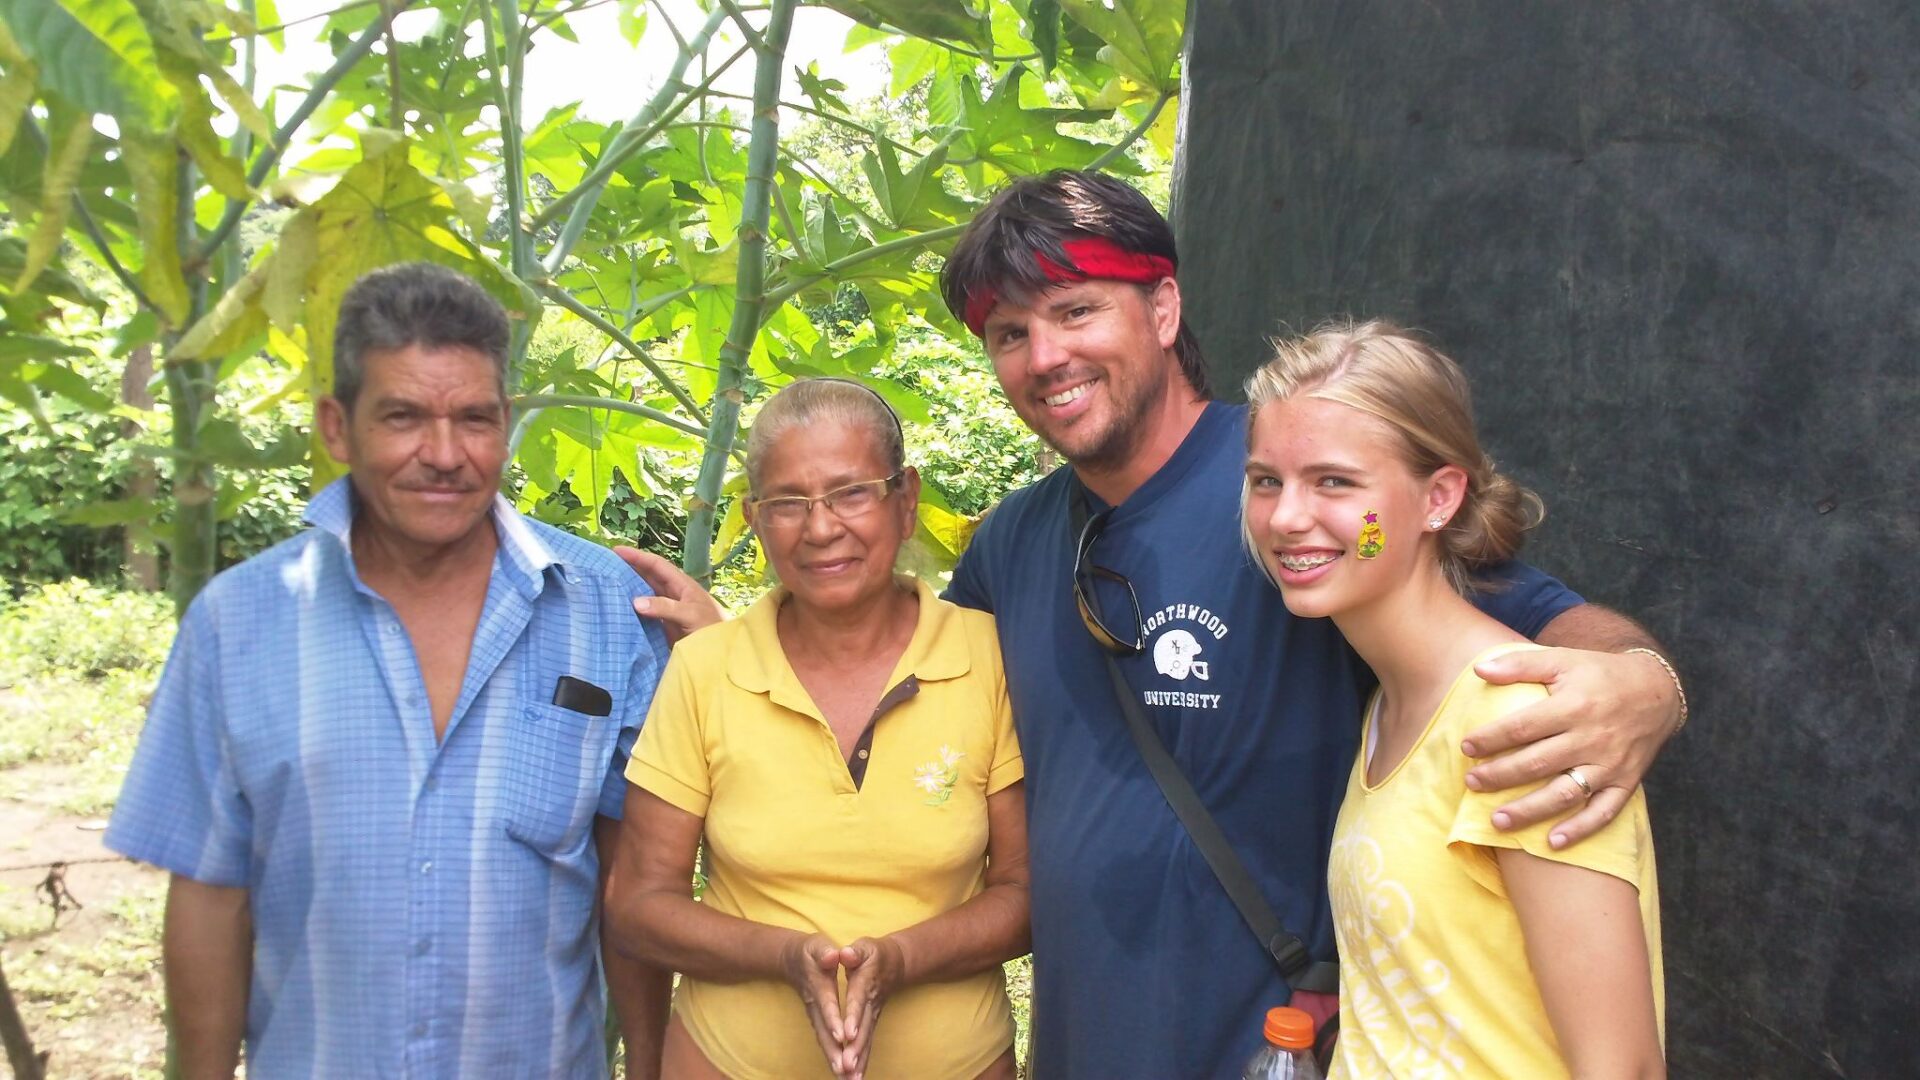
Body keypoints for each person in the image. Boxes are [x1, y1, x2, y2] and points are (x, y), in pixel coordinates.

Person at [618, 171, 1687, 1079]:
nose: (1045, 356)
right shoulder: (1015, 544)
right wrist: (751, 641)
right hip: (1086, 1039)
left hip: (1270, 1043)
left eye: (1079, 310)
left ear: (1163, 312)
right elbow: (908, 678)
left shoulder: (1298, 499)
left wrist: (1638, 681)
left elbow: (1514, 609)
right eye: (1010, 333)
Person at [105, 263, 673, 1079]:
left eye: (474, 419)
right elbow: (208, 892)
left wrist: (647, 1068)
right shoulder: (241, 621)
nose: (443, 455)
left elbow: (632, 882)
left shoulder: (604, 610)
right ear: (337, 427)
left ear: (505, 423)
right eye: (403, 416)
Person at [1243, 320, 1664, 1077]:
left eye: (1334, 481)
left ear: (1438, 497)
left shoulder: (1522, 718)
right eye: (1266, 479)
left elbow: (1621, 1065)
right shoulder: (1393, 705)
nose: (1285, 517)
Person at [603, 378, 1029, 1080]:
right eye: (788, 503)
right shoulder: (707, 668)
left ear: (906, 498)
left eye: (851, 492)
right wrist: (783, 956)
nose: (821, 527)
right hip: (727, 1061)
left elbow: (1025, 892)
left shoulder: (987, 655)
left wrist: (900, 960)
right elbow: (638, 905)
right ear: (755, 519)